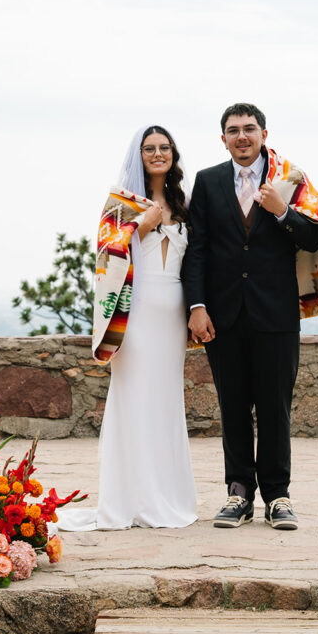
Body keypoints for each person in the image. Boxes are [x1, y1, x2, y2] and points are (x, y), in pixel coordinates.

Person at [181, 102, 318, 530]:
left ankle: (278, 496)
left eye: (249, 129)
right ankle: (238, 493)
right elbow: (198, 249)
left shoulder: (291, 180)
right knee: (233, 406)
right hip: (223, 315)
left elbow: (313, 238)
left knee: (275, 407)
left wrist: (282, 211)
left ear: (264, 133)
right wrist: (197, 306)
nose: (241, 137)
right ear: (222, 138)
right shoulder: (207, 182)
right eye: (233, 130)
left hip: (276, 314)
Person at [57, 125, 197, 531]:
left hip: (172, 314)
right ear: (138, 155)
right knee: (134, 398)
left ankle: (166, 496)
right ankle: (128, 499)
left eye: (164, 148)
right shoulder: (120, 204)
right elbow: (105, 253)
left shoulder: (185, 202)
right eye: (149, 148)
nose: (157, 154)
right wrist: (141, 226)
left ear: (173, 154)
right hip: (133, 316)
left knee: (166, 401)